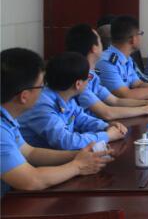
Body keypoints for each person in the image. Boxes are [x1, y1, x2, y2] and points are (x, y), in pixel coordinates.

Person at [1, 48, 112, 196]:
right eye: (41, 86)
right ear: (24, 96)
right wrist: (77, 166)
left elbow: (30, 152)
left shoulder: (7, 118)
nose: (44, 90)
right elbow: (31, 181)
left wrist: (79, 155)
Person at [18, 52, 127, 150]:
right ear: (78, 84)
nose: (89, 81)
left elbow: (82, 119)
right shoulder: (42, 105)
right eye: (88, 78)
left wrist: (106, 126)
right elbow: (65, 141)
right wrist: (107, 136)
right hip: (35, 162)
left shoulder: (66, 96)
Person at [65, 24, 148, 120]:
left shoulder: (92, 76)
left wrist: (147, 103)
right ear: (94, 49)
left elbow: (115, 101)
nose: (104, 45)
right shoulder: (80, 80)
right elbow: (107, 113)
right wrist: (147, 109)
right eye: (99, 41)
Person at [96, 15, 148, 100]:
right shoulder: (107, 63)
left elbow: (137, 84)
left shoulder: (126, 58)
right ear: (132, 39)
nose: (141, 37)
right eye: (140, 33)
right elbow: (125, 95)